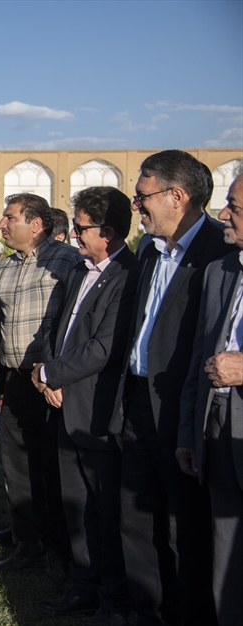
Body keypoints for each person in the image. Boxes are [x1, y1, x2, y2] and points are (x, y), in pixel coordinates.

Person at [112, 150, 234, 625]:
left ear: (176, 196)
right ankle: (148, 611)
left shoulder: (220, 253)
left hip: (184, 411)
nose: (136, 207)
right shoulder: (149, 250)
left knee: (184, 527)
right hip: (140, 403)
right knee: (136, 520)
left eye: (141, 197)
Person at [30, 187, 137, 623]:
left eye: (80, 227)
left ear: (107, 232)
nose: (72, 233)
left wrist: (50, 375)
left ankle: (112, 597)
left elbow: (103, 347)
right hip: (63, 406)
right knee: (75, 507)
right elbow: (55, 329)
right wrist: (44, 371)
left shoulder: (130, 275)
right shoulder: (77, 270)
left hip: (98, 414)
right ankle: (82, 585)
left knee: (104, 512)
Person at [0, 193, 80, 572]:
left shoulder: (68, 263)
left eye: (9, 218)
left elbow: (76, 326)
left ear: (36, 225)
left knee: (54, 467)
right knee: (17, 466)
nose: (2, 224)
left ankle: (62, 546)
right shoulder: (3, 269)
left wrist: (58, 373)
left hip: (53, 385)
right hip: (16, 382)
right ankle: (27, 545)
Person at [177, 174, 243, 626]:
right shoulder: (223, 270)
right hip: (218, 427)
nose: (223, 215)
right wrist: (189, 433)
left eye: (235, 207)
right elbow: (201, 357)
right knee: (227, 556)